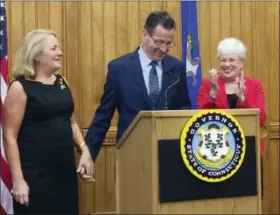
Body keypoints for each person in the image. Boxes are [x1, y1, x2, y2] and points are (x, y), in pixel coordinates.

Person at [3, 29, 94, 214]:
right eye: (53, 48)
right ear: (36, 54)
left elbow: (72, 122)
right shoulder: (20, 88)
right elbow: (9, 137)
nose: (60, 52)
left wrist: (84, 150)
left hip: (64, 173)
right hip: (35, 176)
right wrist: (18, 180)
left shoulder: (62, 82)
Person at [85, 11, 191, 162]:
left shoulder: (177, 68)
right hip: (131, 152)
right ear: (144, 35)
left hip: (169, 153)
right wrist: (88, 153)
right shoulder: (120, 68)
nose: (163, 49)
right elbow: (104, 115)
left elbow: (183, 111)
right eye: (159, 42)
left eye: (168, 44)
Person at [197, 37, 267, 152]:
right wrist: (213, 92)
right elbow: (200, 118)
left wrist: (242, 98)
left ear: (242, 62)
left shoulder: (255, 85)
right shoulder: (207, 84)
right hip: (217, 149)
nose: (227, 64)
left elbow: (261, 119)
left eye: (231, 60)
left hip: (248, 146)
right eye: (223, 60)